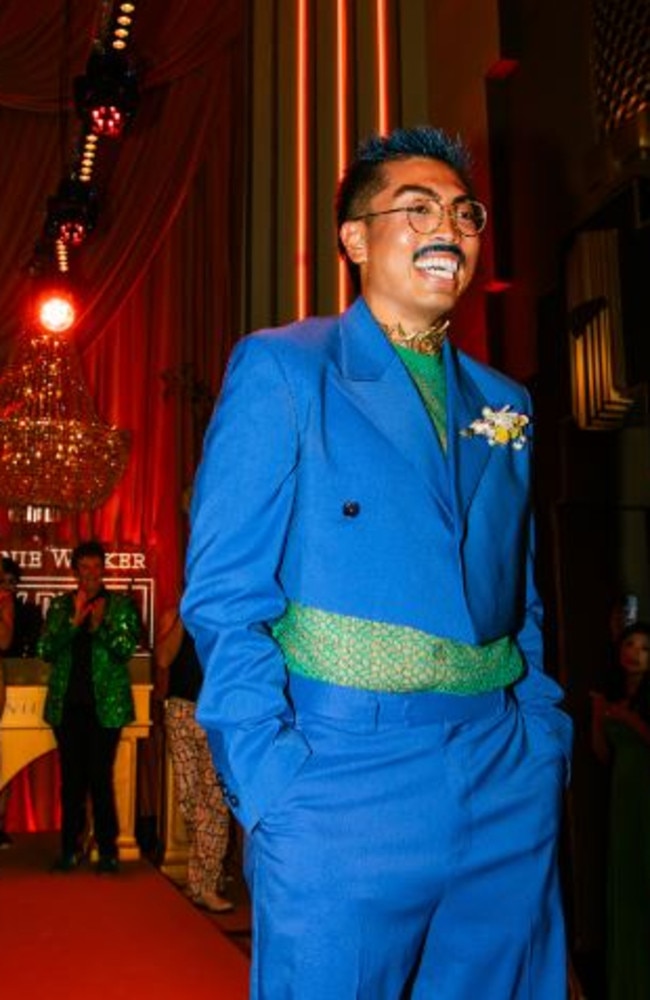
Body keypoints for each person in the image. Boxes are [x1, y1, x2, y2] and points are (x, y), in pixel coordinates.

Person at [181, 125, 573, 999]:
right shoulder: (287, 369)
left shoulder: (505, 402)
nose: (450, 227)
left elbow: (522, 593)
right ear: (354, 239)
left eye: (465, 213)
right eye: (418, 207)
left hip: (505, 771)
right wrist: (272, 785)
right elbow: (221, 595)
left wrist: (542, 739)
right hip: (340, 780)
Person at [38, 540, 141, 873]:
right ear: (75, 572)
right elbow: (45, 649)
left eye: (97, 567)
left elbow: (125, 649)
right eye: (85, 568)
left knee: (99, 777)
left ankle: (108, 850)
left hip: (105, 708)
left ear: (104, 569)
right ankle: (69, 848)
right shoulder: (59, 606)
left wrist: (100, 627)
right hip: (67, 708)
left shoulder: (120, 606)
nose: (92, 574)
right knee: (71, 781)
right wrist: (73, 624)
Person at [154, 605, 234, 912]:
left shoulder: (224, 613)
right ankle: (203, 874)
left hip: (216, 714)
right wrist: (182, 617)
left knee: (214, 800)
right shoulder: (173, 615)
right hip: (181, 710)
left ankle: (206, 884)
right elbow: (162, 658)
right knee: (189, 800)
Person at [590, 622, 650, 1000]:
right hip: (622, 797)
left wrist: (626, 719)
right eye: (630, 643)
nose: (635, 652)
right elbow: (601, 754)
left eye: (645, 647)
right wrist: (598, 716)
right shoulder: (611, 693)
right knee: (625, 880)